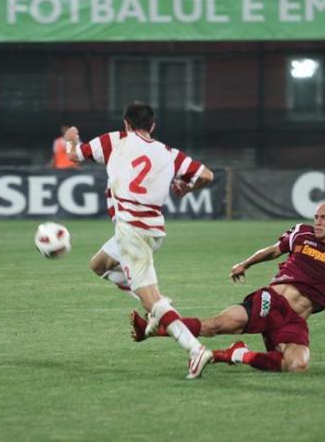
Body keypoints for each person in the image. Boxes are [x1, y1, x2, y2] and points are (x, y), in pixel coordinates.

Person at [130, 192, 325, 374]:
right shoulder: (302, 234)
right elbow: (272, 249)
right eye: (317, 217)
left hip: (294, 319)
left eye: (324, 218)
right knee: (217, 325)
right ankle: (157, 328)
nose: (318, 222)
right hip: (272, 300)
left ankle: (235, 354)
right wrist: (246, 263)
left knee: (297, 364)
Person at [64, 101, 215, 379]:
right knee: (98, 264)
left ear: (126, 124)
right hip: (152, 229)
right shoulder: (168, 153)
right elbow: (206, 175)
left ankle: (195, 350)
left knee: (152, 302)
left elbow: (74, 156)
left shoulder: (115, 140)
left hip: (131, 231)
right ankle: (153, 303)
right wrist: (186, 188)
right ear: (153, 126)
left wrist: (70, 140)